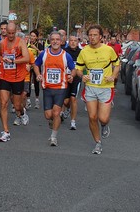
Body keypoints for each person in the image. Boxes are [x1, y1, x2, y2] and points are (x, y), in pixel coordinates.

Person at [76, 24, 120, 155]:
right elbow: (78, 69)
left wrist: (113, 76)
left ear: (101, 37)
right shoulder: (84, 51)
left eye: (95, 35)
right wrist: (82, 75)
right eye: (90, 35)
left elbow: (117, 65)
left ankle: (105, 125)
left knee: (103, 118)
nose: (92, 37)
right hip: (90, 88)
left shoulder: (108, 50)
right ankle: (98, 142)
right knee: (92, 117)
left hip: (105, 88)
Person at [33, 31, 75, 146]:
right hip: (47, 88)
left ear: (61, 41)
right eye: (53, 40)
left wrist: (71, 75)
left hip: (61, 88)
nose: (55, 41)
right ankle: (52, 122)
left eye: (57, 39)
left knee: (56, 113)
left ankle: (53, 137)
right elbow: (36, 64)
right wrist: (38, 74)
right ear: (50, 41)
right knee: (48, 115)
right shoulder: (44, 54)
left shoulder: (66, 55)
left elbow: (73, 68)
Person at [0, 21, 30, 142]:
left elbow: (27, 58)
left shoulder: (20, 42)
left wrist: (13, 61)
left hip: (17, 77)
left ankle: (22, 112)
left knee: (17, 105)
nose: (10, 35)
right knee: (4, 103)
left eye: (12, 33)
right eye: (8, 33)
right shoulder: (2, 43)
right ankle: (5, 131)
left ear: (16, 32)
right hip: (5, 76)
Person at [63, 34, 82, 130]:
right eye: (71, 40)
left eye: (75, 40)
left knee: (73, 98)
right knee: (65, 101)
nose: (73, 42)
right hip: (65, 78)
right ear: (68, 42)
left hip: (76, 79)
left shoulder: (81, 52)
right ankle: (68, 108)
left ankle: (73, 121)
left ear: (78, 42)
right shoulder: (64, 52)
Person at [26, 29, 42, 109]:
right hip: (28, 65)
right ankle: (28, 100)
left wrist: (35, 48)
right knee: (28, 82)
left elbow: (42, 54)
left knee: (36, 82)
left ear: (36, 37)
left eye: (34, 36)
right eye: (31, 36)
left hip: (36, 65)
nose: (32, 37)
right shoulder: (26, 44)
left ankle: (37, 99)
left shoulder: (39, 44)